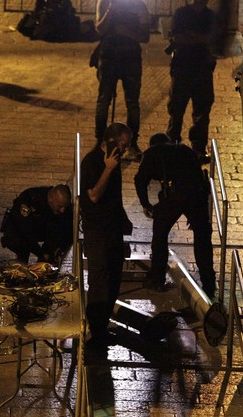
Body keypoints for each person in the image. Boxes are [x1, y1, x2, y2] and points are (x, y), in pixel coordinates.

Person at [134, 133, 215, 297]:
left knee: (160, 235)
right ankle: (209, 283)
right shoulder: (185, 149)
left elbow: (139, 180)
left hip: (173, 196)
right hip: (196, 195)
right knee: (202, 238)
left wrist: (146, 204)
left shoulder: (152, 153)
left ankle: (157, 279)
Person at [80, 122, 133, 350]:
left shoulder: (115, 162)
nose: (125, 150)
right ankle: (95, 332)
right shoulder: (93, 162)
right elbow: (93, 195)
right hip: (97, 231)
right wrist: (108, 169)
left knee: (114, 279)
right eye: (122, 144)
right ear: (110, 141)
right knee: (100, 281)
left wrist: (124, 220)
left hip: (113, 230)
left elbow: (114, 196)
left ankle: (102, 328)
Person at [93, 0, 150, 161]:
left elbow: (145, 36)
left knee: (132, 102)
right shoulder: (106, 1)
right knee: (104, 100)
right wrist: (111, 9)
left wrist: (122, 30)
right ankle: (100, 141)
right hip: (109, 57)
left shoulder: (139, 5)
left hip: (131, 59)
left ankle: (132, 143)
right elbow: (100, 29)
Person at [166, 0, 217, 164]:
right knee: (177, 108)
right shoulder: (182, 13)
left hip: (202, 69)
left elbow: (214, 39)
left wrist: (192, 36)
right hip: (183, 67)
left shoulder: (210, 16)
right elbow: (177, 37)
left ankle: (198, 148)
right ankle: (172, 144)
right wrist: (201, 38)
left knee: (202, 110)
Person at [0, 184, 73, 265]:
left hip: (39, 230)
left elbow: (69, 230)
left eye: (64, 207)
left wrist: (59, 249)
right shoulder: (31, 198)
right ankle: (18, 266)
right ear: (51, 199)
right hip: (19, 230)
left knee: (56, 240)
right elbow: (25, 230)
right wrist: (41, 253)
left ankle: (44, 268)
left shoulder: (65, 208)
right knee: (21, 247)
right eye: (60, 206)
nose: (62, 210)